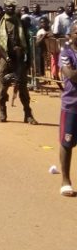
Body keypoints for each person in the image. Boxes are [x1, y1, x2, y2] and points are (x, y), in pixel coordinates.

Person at [0, 0, 37, 124]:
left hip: (19, 59)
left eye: (12, 7)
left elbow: (28, 44)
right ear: (4, 7)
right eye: (8, 7)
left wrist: (29, 59)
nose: (10, 9)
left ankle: (28, 114)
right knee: (3, 87)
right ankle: (2, 112)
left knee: (23, 88)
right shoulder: (0, 24)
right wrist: (7, 57)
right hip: (5, 58)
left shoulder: (21, 23)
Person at [58, 23, 77, 197]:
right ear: (70, 35)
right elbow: (71, 75)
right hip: (72, 105)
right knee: (67, 142)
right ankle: (65, 180)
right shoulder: (66, 53)